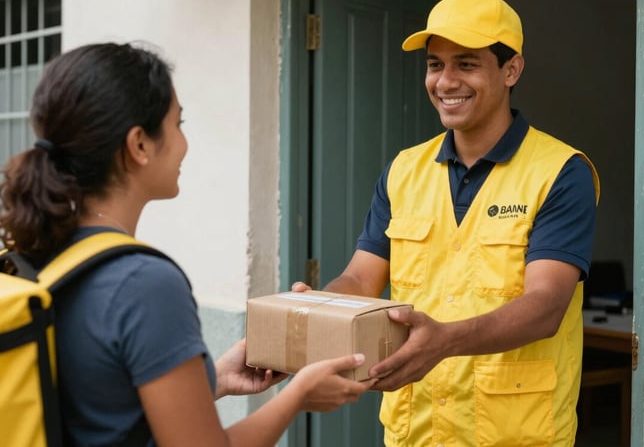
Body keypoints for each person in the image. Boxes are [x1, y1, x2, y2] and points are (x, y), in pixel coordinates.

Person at [0, 42, 374, 446]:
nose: (184, 143)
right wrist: (297, 395)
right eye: (178, 123)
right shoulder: (144, 283)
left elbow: (87, 408)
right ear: (139, 144)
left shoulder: (27, 254)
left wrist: (212, 379)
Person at [292, 0, 600, 446]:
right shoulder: (403, 171)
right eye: (435, 64)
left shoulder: (560, 172)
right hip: (417, 432)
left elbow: (546, 307)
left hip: (515, 434)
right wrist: (320, 307)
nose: (446, 81)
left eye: (467, 63)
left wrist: (446, 340)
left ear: (511, 69)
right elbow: (360, 279)